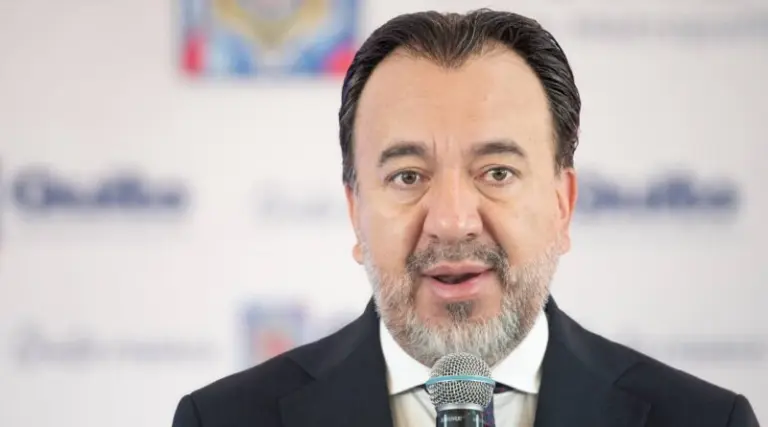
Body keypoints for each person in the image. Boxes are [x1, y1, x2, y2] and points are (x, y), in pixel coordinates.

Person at [171, 9, 760, 427]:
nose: (452, 223)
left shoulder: (706, 420)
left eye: (497, 172)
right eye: (408, 176)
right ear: (355, 214)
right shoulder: (222, 419)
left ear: (562, 205)